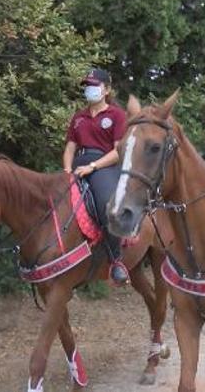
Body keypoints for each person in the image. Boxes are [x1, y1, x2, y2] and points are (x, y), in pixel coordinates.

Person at [63, 68, 129, 285]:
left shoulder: (117, 115)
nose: (89, 89)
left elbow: (118, 151)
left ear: (106, 89)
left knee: (105, 204)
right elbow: (70, 149)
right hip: (78, 165)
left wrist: (93, 166)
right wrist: (66, 171)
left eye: (94, 85)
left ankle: (116, 260)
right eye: (87, 86)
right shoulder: (78, 117)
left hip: (104, 166)